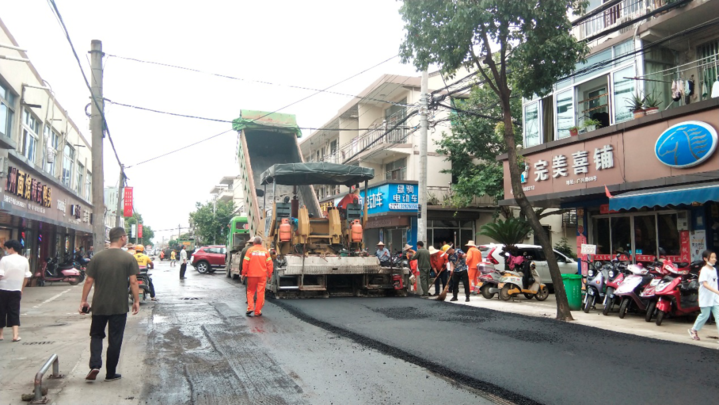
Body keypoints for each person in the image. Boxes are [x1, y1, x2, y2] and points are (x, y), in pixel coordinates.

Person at [80, 227, 140, 382]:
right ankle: (110, 373)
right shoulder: (128, 258)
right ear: (121, 238)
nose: (126, 238)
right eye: (125, 236)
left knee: (96, 335)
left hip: (99, 305)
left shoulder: (97, 257)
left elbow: (89, 280)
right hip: (119, 306)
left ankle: (94, 365)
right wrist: (136, 301)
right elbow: (133, 281)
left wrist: (83, 300)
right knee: (115, 339)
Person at [0, 240, 32, 342]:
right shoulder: (24, 260)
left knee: (1, 311)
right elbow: (26, 276)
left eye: (6, 248)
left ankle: (0, 335)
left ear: (11, 248)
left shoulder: (4, 259)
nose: (6, 250)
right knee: (14, 311)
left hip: (3, 288)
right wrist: (21, 288)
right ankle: (15, 335)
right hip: (16, 289)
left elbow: (0, 274)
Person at [688, 250, 719, 341]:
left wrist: (716, 293)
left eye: (715, 257)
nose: (714, 259)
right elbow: (705, 284)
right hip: (706, 297)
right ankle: (693, 330)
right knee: (704, 315)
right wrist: (716, 291)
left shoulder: (714, 269)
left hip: (715, 298)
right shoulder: (704, 270)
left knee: (718, 316)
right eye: (712, 257)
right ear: (705, 259)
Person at [242, 237, 273, 317]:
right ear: (261, 243)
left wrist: (243, 274)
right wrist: (269, 275)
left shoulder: (250, 250)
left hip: (251, 275)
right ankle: (258, 311)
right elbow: (270, 264)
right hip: (262, 276)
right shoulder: (265, 251)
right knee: (260, 293)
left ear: (253, 243)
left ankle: (250, 308)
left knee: (250, 291)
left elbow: (245, 263)